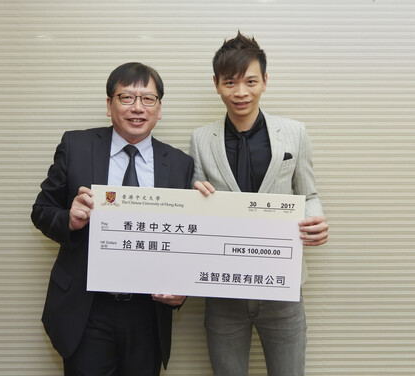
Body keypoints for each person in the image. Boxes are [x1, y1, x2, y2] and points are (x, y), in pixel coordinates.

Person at [31, 62, 194, 376]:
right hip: (87, 308)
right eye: (126, 98)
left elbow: (185, 240)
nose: (137, 108)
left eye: (148, 99)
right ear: (109, 105)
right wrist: (69, 219)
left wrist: (182, 287)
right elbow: (41, 211)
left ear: (159, 109)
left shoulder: (179, 163)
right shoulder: (76, 146)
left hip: (148, 312)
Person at [189, 32, 329, 376]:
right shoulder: (200, 139)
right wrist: (193, 193)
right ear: (216, 84)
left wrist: (316, 220)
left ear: (265, 81)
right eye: (230, 82)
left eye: (251, 81)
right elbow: (193, 202)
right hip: (222, 289)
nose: (240, 92)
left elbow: (308, 194)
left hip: (283, 286)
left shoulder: (295, 132)